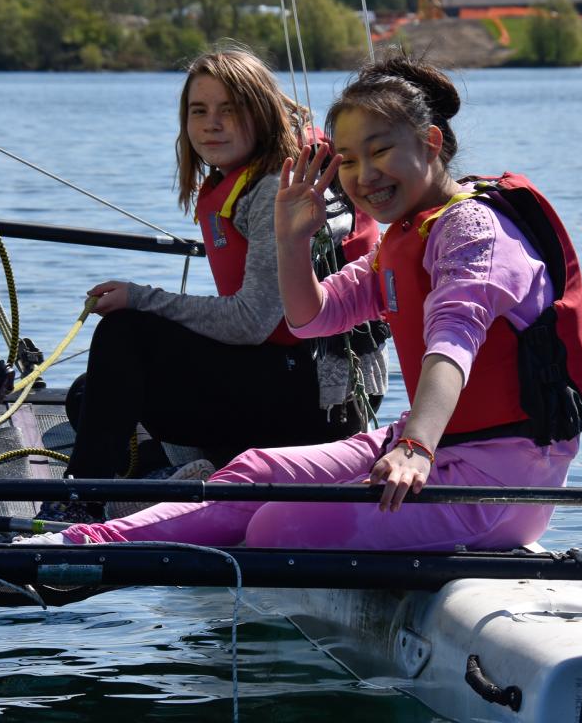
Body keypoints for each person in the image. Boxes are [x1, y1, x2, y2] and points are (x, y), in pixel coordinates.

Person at [30, 54, 582, 549]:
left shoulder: (471, 230)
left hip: (495, 482)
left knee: (278, 522)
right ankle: (80, 543)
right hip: (428, 449)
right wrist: (292, 241)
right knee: (255, 472)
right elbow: (313, 318)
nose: (363, 176)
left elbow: (451, 344)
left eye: (380, 152)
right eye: (348, 160)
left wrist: (414, 446)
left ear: (431, 143)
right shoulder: (408, 234)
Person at [39, 44, 389, 522]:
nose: (212, 124)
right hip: (283, 380)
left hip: (318, 405)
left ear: (261, 113)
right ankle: (186, 470)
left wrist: (140, 299)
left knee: (124, 335)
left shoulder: (275, 188)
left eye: (230, 110)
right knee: (90, 396)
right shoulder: (251, 175)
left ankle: (81, 501)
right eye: (198, 111)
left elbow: (251, 321)